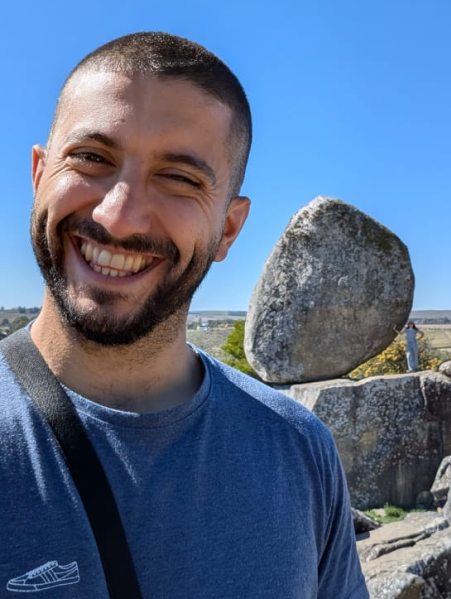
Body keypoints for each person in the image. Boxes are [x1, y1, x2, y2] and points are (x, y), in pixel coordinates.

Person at [0, 32, 368, 598]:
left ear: (228, 228)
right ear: (38, 175)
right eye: (92, 158)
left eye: (179, 178)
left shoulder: (298, 450)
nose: (119, 217)